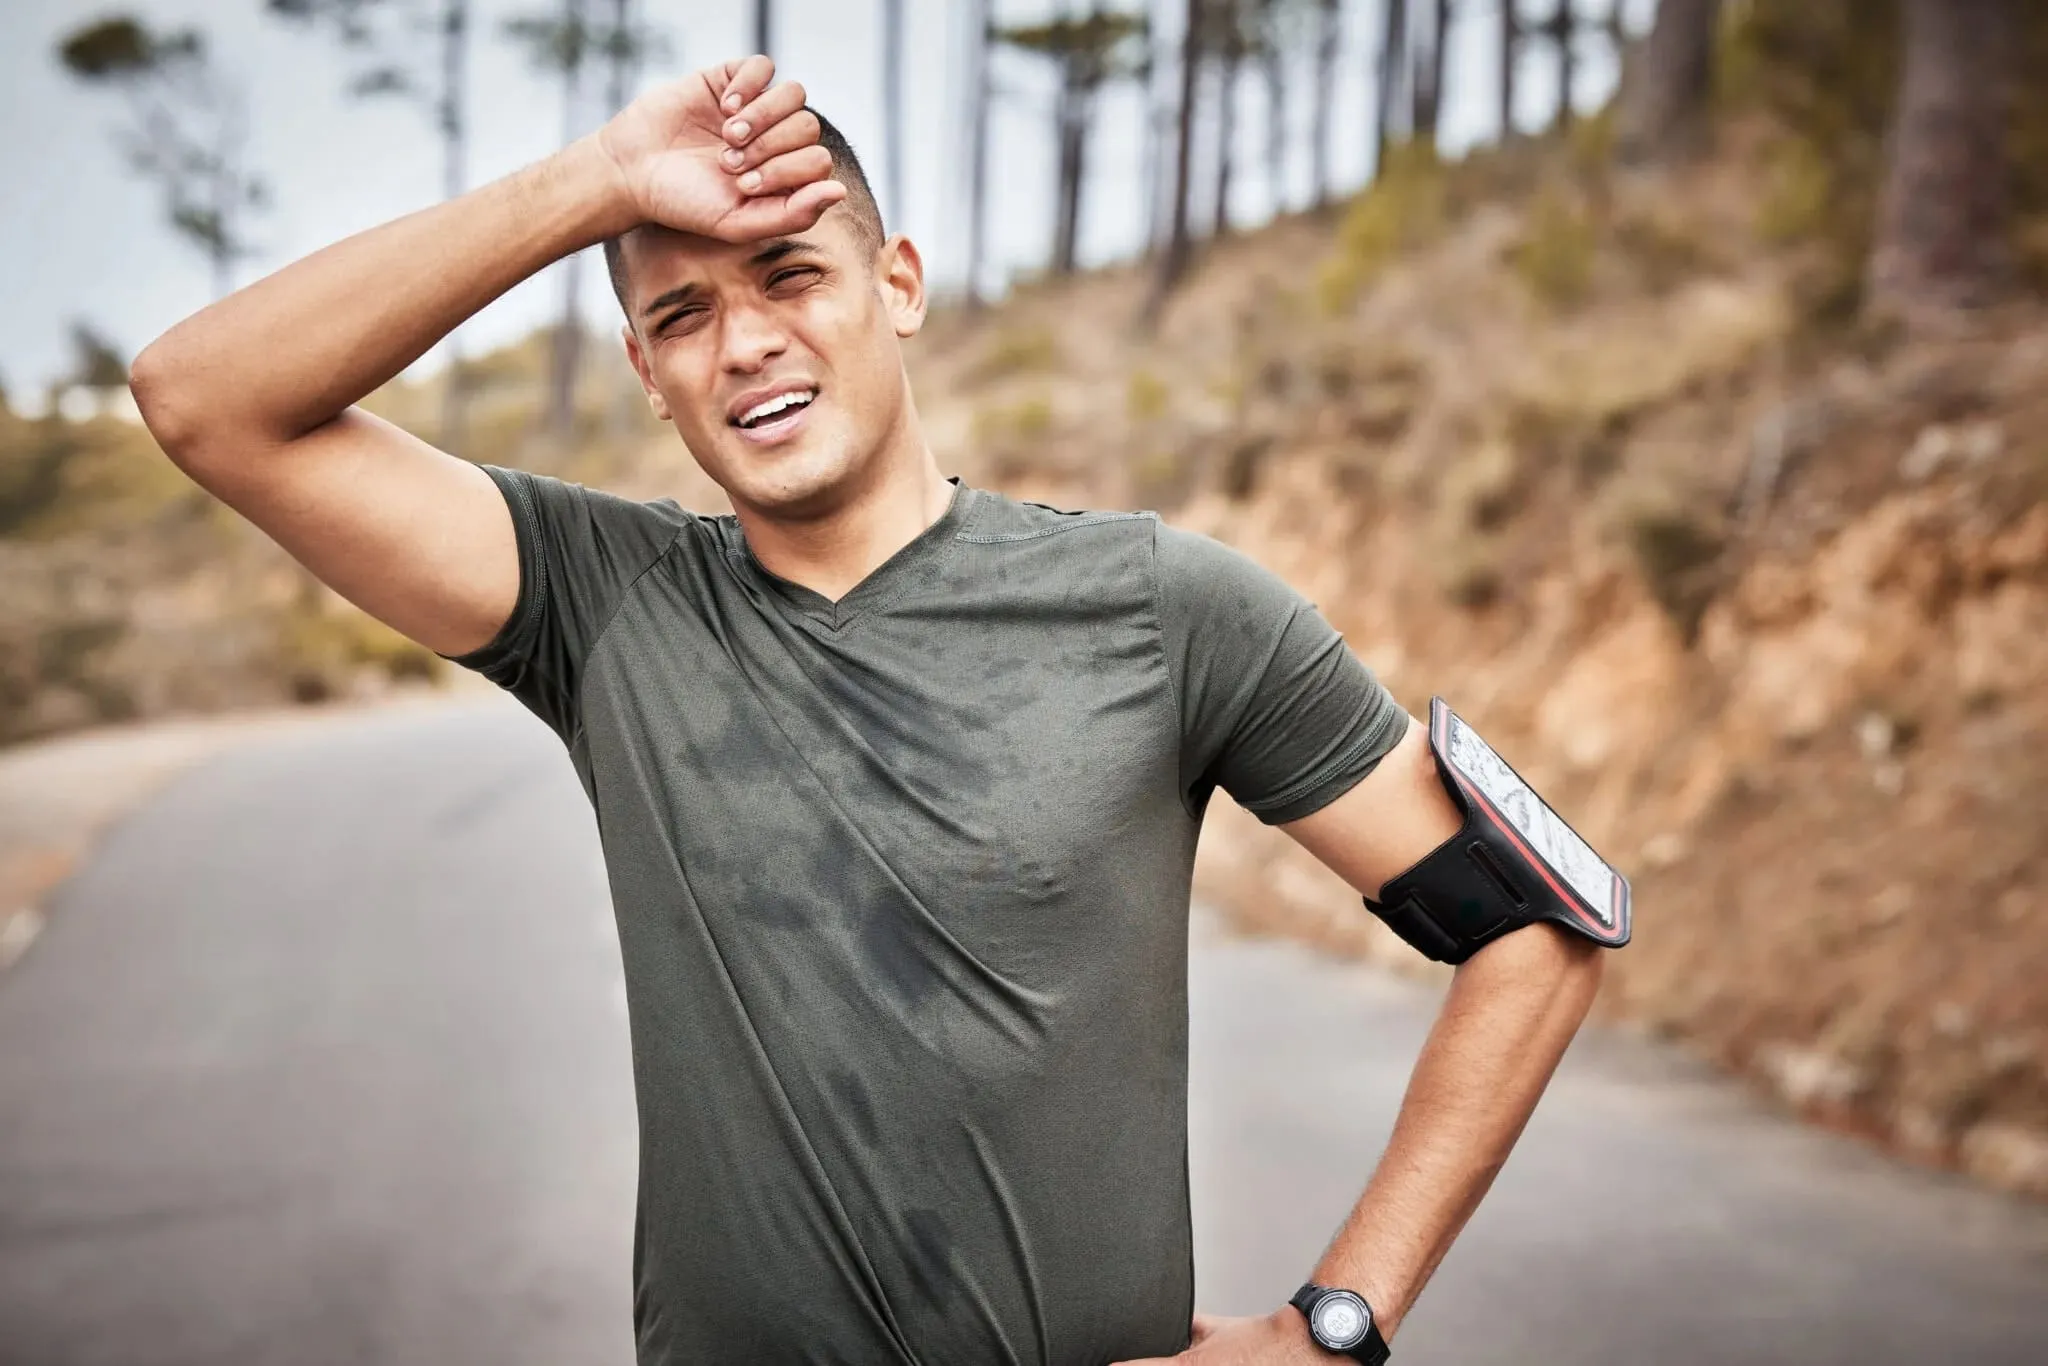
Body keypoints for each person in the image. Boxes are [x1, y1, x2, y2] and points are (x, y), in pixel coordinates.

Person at [129, 55, 1606, 1366]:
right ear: (645, 373)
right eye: (684, 315)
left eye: (791, 275)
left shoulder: (1166, 608)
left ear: (896, 284)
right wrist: (596, 181)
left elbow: (1534, 934)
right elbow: (203, 398)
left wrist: (1333, 1327)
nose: (746, 344)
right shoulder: (602, 605)